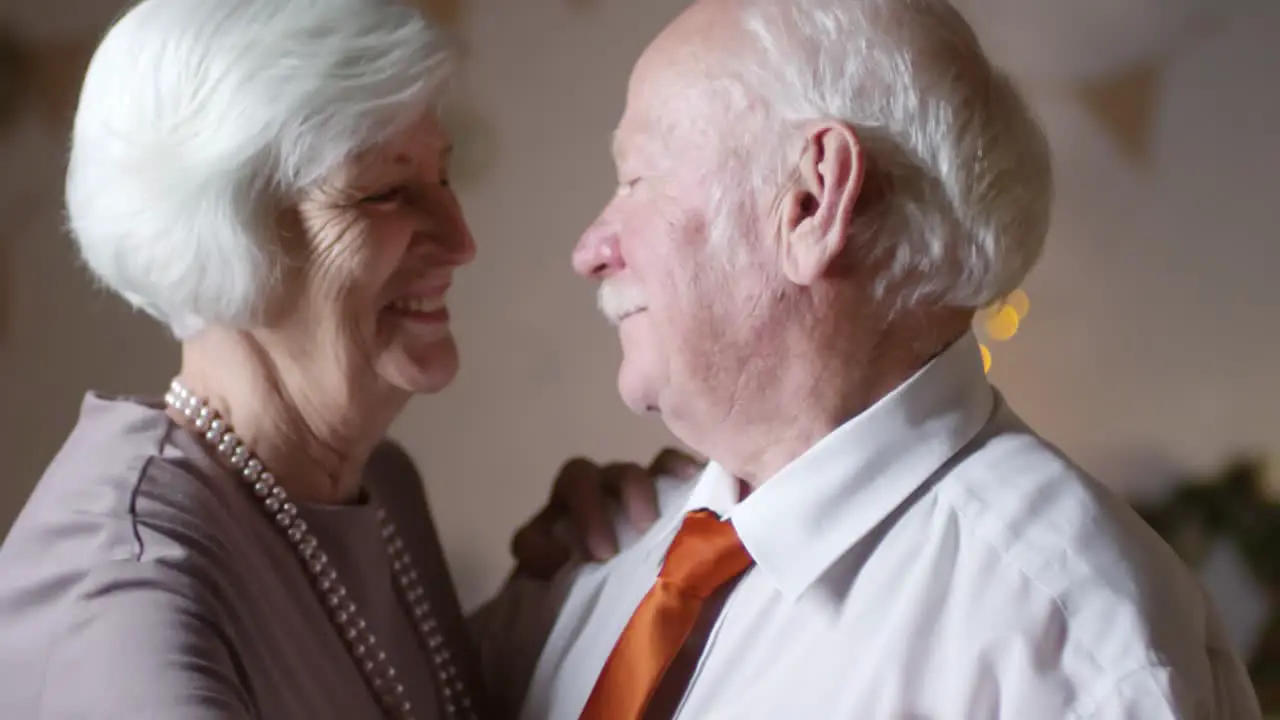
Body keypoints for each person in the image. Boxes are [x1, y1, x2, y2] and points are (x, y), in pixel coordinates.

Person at [501, 0, 1265, 717]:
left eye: (636, 178)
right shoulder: (588, 563)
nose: (590, 251)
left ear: (812, 200)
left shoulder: (1070, 641)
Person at [0, 0, 696, 718]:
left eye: (444, 177)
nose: (461, 241)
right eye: (388, 192)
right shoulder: (130, 585)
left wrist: (570, 592)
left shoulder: (377, 486)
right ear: (224, 233)